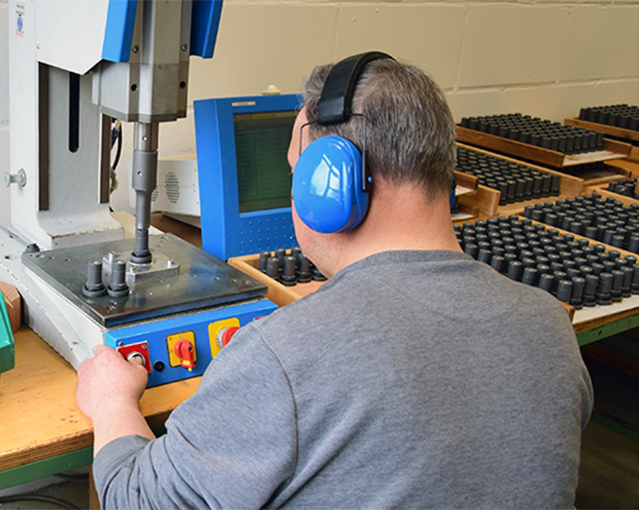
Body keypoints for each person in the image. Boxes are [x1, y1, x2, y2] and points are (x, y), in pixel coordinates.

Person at [76, 54, 593, 508]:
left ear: (332, 184)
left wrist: (111, 403)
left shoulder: (287, 355)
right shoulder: (548, 324)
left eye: (296, 173)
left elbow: (135, 498)